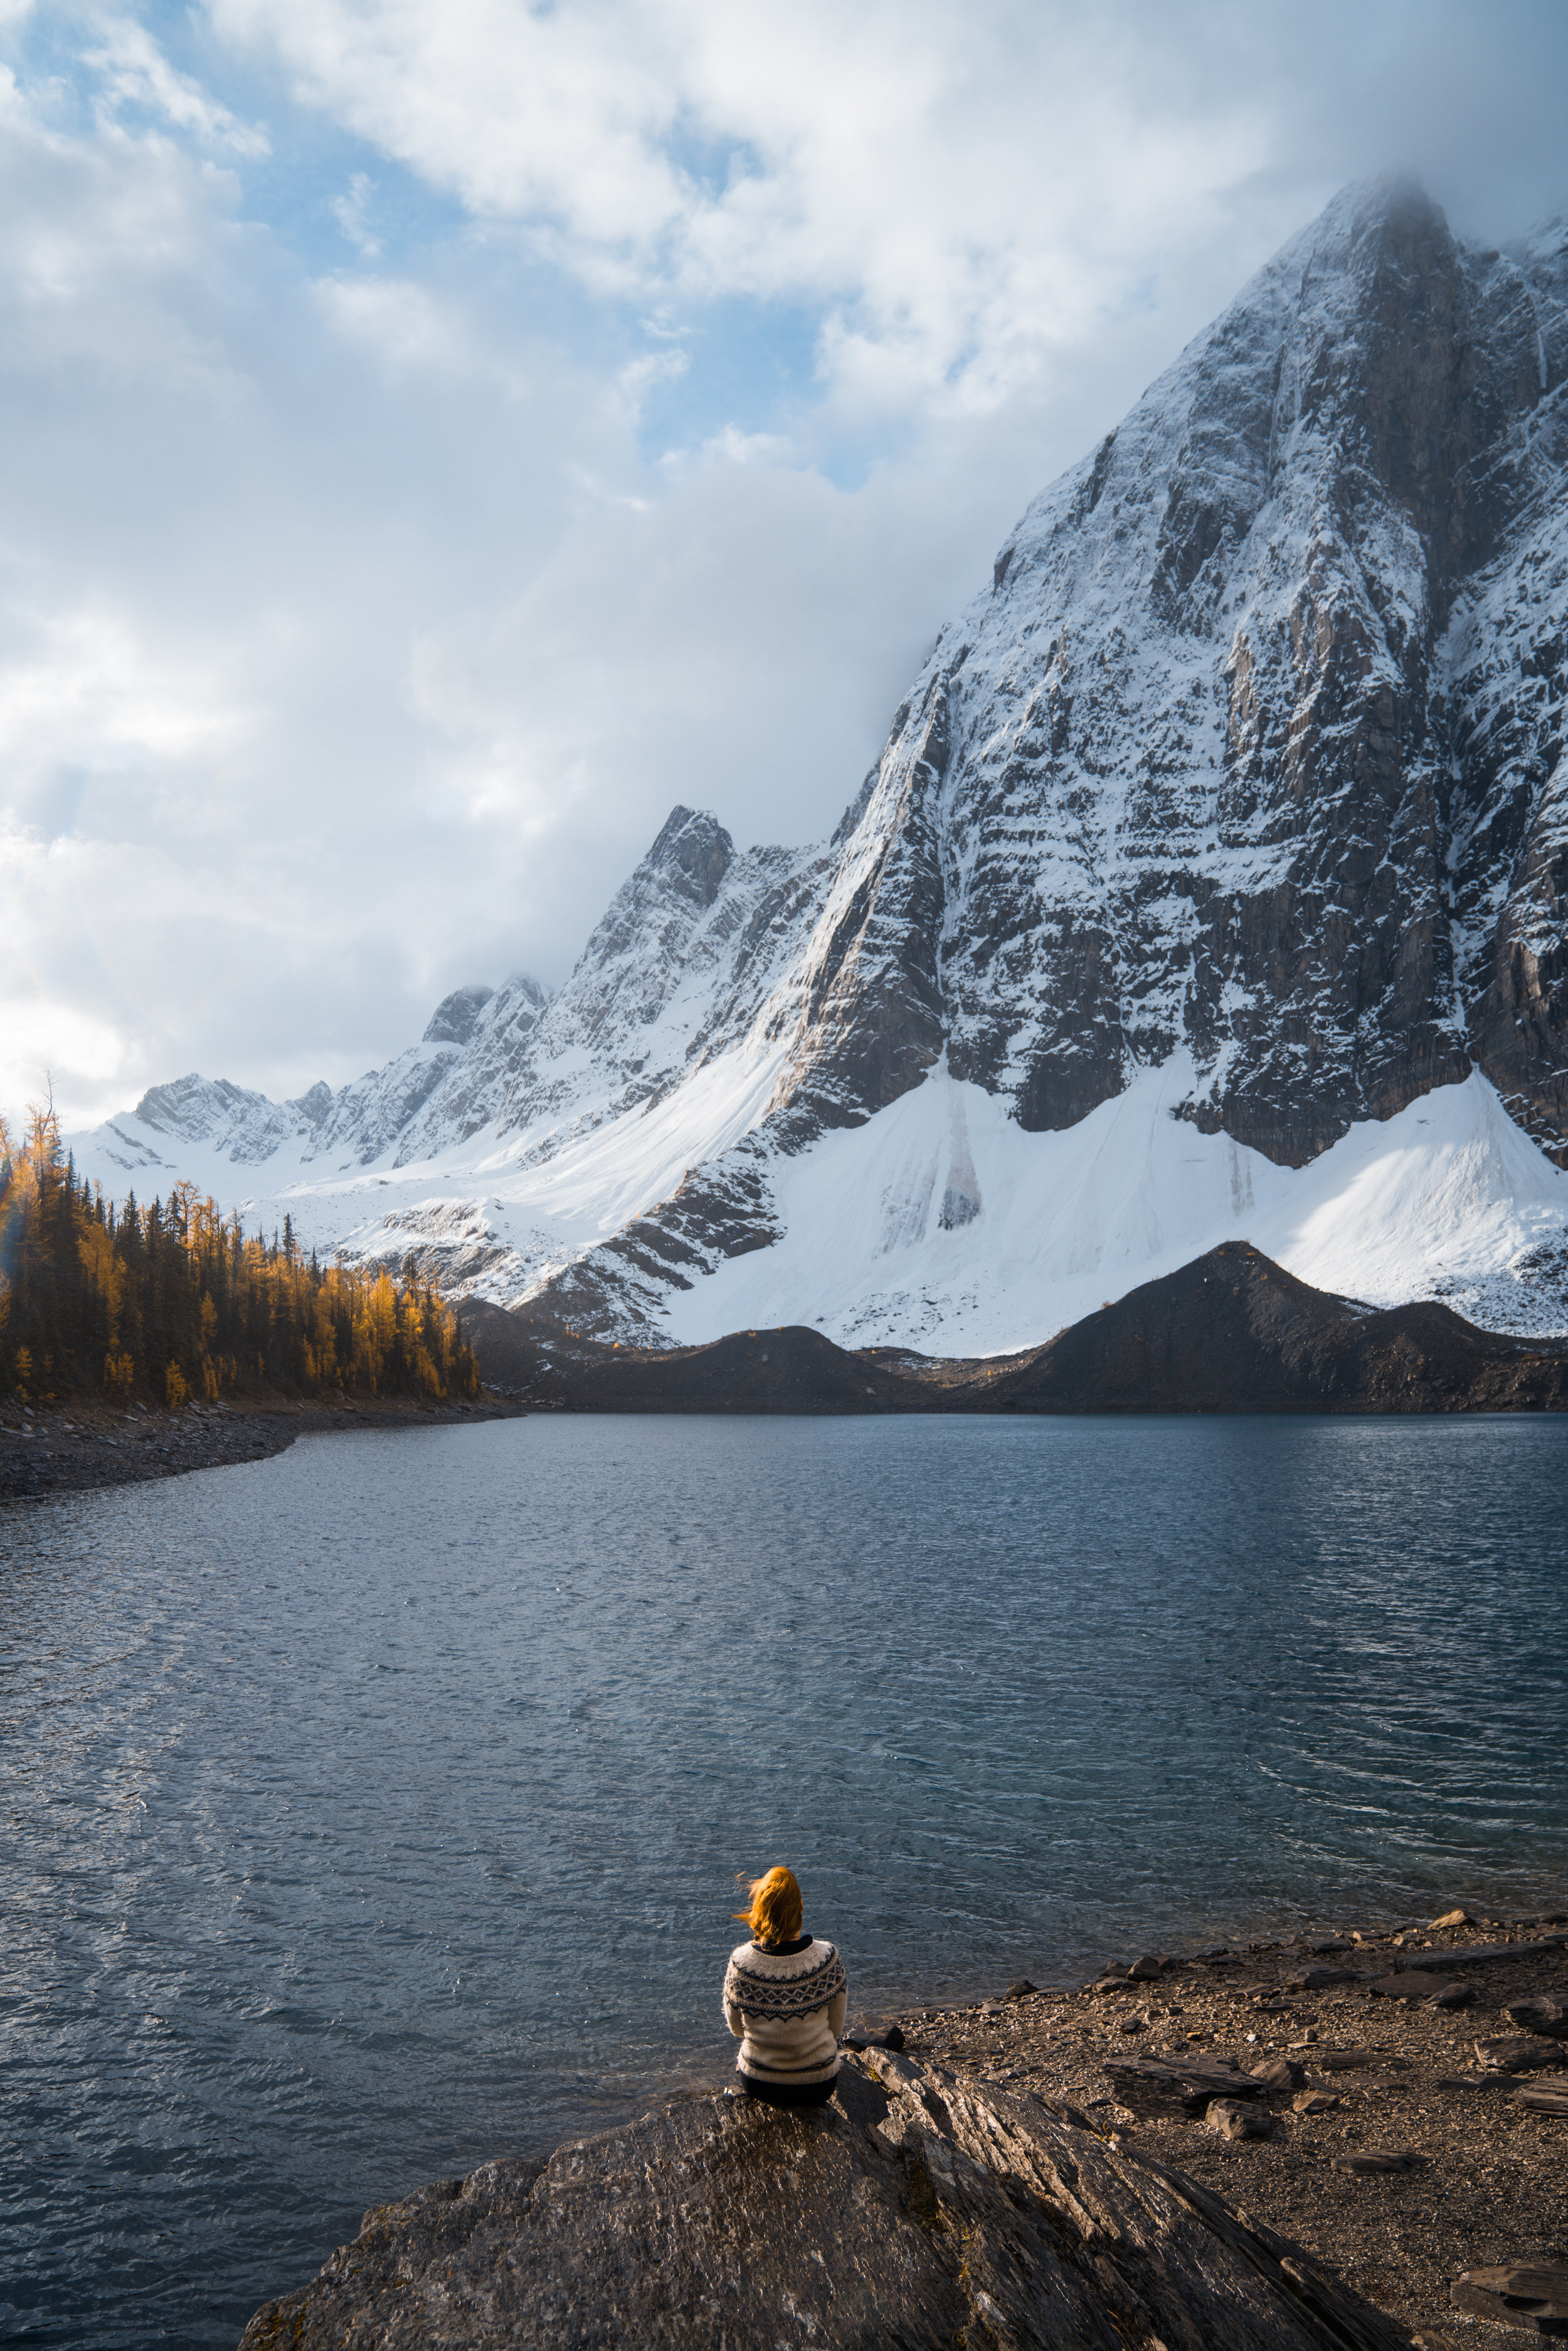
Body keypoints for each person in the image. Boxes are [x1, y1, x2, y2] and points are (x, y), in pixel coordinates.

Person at [723, 1865, 847, 2108]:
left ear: (759, 1910)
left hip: (759, 2081)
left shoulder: (740, 1964)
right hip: (818, 2083)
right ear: (801, 1907)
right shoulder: (828, 1959)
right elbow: (836, 2027)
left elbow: (737, 2029)